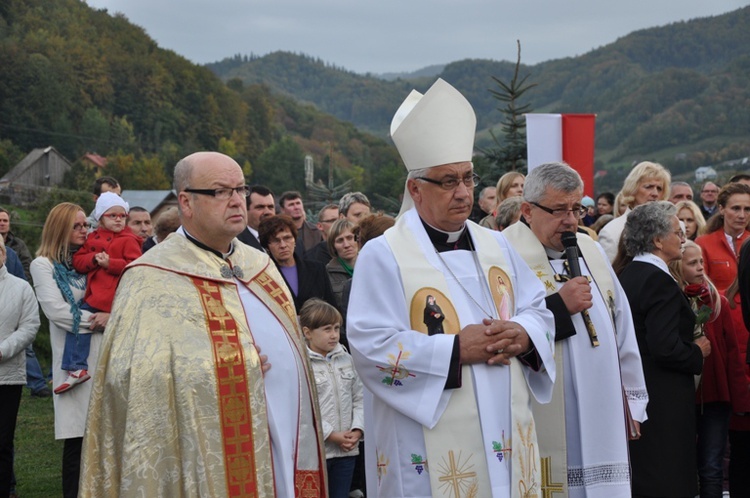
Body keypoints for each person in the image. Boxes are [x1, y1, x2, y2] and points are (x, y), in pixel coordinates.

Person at [348, 78, 555, 497]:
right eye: (447, 181)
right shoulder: (384, 254)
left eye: (467, 178)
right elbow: (369, 347)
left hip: (507, 427)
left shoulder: (497, 243)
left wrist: (523, 333)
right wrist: (458, 351)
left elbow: (538, 308)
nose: (463, 193)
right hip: (425, 440)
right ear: (415, 189)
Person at [79, 152, 327, 496]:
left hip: (283, 442)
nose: (237, 200)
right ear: (186, 201)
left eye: (241, 189)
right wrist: (228, 365)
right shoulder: (151, 276)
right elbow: (132, 379)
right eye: (221, 191)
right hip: (209, 457)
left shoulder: (260, 264)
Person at [503, 162, 647, 496]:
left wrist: (632, 400)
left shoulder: (590, 250)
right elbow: (506, 330)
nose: (570, 220)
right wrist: (559, 306)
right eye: (558, 210)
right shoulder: (502, 254)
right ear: (527, 210)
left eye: (576, 209)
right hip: (543, 405)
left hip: (604, 407)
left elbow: (621, 326)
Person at [616, 201, 711, 497]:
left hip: (639, 390)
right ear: (657, 240)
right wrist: (697, 351)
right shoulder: (658, 281)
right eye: (676, 232)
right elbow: (665, 346)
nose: (682, 239)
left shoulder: (628, 274)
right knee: (667, 474)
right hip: (663, 397)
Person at [29, 203, 109, 498]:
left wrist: (110, 317)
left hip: (104, 355)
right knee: (78, 438)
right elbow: (57, 311)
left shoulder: (93, 260)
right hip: (73, 362)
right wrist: (100, 320)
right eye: (77, 226)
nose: (84, 231)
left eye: (85, 225)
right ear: (60, 228)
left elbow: (112, 296)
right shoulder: (44, 265)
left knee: (105, 438)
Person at [670, 240, 750, 498]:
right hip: (684, 397)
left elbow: (732, 354)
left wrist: (740, 399)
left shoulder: (717, 302)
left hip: (716, 397)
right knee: (682, 465)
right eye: (692, 263)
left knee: (712, 467)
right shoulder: (670, 301)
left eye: (702, 262)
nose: (701, 268)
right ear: (676, 267)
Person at [64, 193, 141, 394]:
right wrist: (94, 259)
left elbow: (136, 267)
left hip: (114, 298)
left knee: (80, 324)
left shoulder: (130, 239)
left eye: (122, 216)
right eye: (112, 215)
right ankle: (77, 366)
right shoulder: (92, 239)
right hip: (94, 296)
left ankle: (79, 367)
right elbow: (78, 263)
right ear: (100, 218)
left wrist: (111, 264)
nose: (118, 219)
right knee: (78, 325)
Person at [301, 299, 364, 498]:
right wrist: (330, 435)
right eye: (327, 329)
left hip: (346, 450)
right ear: (307, 332)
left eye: (337, 328)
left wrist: (357, 430)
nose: (334, 335)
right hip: (318, 453)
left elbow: (359, 398)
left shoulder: (347, 359)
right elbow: (304, 407)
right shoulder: (302, 363)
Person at [0, 236, 40, 498]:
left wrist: (3, 350)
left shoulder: (21, 288)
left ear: (4, 255)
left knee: (2, 442)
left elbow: (30, 325)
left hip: (6, 377)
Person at [259, 214, 337, 311]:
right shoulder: (264, 277)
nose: (283, 245)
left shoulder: (316, 269)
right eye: (276, 240)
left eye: (287, 238)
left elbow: (332, 307)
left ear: (295, 240)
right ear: (267, 247)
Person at [599, 161, 671, 262]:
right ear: (633, 188)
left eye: (659, 188)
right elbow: (608, 275)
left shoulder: (670, 229)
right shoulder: (612, 232)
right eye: (649, 187)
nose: (655, 193)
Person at [696, 182, 750, 293]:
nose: (742, 215)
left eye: (747, 209)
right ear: (721, 209)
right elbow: (700, 286)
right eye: (736, 208)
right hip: (718, 308)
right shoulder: (703, 243)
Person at [279, 190, 324, 256]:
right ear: (283, 210)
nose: (296, 207)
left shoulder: (316, 231)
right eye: (291, 204)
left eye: (298, 203)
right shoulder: (277, 233)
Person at [325, 219, 358, 311]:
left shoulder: (371, 267)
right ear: (333, 246)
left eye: (350, 238)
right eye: (340, 240)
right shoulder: (326, 274)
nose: (346, 245)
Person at [237, 185, 275, 251]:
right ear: (245, 210)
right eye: (260, 207)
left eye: (270, 207)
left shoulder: (289, 240)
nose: (267, 212)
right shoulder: (237, 243)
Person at [0, 207, 32, 280]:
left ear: (9, 224)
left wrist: (17, 283)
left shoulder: (18, 244)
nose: (2, 223)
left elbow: (28, 266)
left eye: (5, 221)